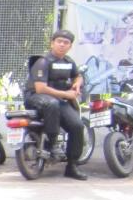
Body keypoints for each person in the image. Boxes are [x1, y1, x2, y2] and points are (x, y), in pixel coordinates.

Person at [25, 28, 87, 181]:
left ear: (70, 46)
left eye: (66, 42)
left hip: (58, 100)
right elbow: (40, 88)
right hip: (37, 98)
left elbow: (78, 75)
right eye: (59, 41)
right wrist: (66, 95)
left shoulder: (68, 62)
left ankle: (72, 166)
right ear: (52, 43)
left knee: (77, 126)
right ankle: (53, 145)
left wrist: (77, 84)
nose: (62, 45)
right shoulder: (43, 61)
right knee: (52, 104)